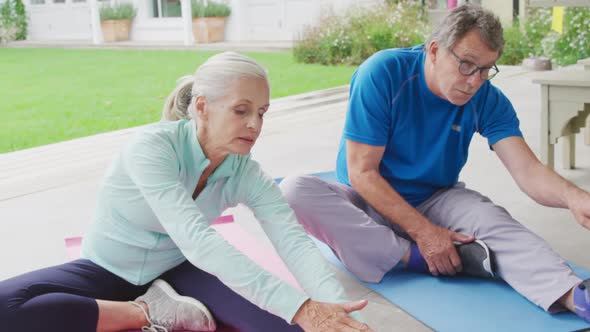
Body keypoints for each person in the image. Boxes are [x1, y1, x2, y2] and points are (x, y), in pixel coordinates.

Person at [0, 52, 373, 332]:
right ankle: (147, 310)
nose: (255, 124)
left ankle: (164, 300)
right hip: (106, 268)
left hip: (180, 270)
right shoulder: (152, 148)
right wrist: (302, 307)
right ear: (201, 107)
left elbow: (292, 241)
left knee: (289, 328)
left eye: (262, 112)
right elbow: (197, 239)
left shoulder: (246, 171)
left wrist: (335, 309)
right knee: (5, 307)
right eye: (241, 110)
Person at [280, 4, 590, 324]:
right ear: (434, 50)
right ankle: (412, 256)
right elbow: (362, 172)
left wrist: (574, 197)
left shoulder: (487, 98)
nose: (474, 81)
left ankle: (574, 296)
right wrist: (426, 235)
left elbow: (528, 170)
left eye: (486, 70)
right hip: (364, 199)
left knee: (494, 221)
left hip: (436, 197)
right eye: (467, 65)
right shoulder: (383, 73)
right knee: (293, 191)